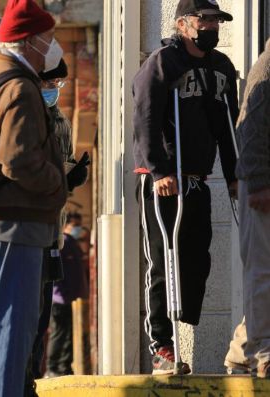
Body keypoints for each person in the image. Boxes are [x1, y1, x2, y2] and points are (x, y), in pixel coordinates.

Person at [0, 1, 67, 395]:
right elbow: (16, 160)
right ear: (30, 40)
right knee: (8, 331)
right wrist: (58, 184)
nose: (50, 47)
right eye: (48, 38)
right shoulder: (20, 87)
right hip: (15, 226)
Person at [132, 0, 238, 375]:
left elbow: (227, 125)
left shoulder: (220, 68)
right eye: (205, 20)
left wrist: (234, 174)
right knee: (163, 260)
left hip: (196, 179)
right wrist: (158, 169)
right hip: (163, 179)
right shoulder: (163, 63)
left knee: (196, 259)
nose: (212, 27)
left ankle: (182, 326)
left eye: (216, 21)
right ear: (182, 24)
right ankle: (162, 345)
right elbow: (145, 116)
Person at [224, 38, 270, 378]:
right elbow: (251, 129)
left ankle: (241, 351)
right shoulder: (267, 69)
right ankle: (264, 354)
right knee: (263, 273)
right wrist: (258, 181)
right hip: (263, 187)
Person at [46, 213, 89, 377]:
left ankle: (64, 366)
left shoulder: (72, 244)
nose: (78, 229)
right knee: (59, 334)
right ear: (66, 225)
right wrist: (60, 292)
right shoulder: (62, 243)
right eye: (75, 225)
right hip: (59, 299)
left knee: (68, 334)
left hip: (68, 298)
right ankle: (53, 367)